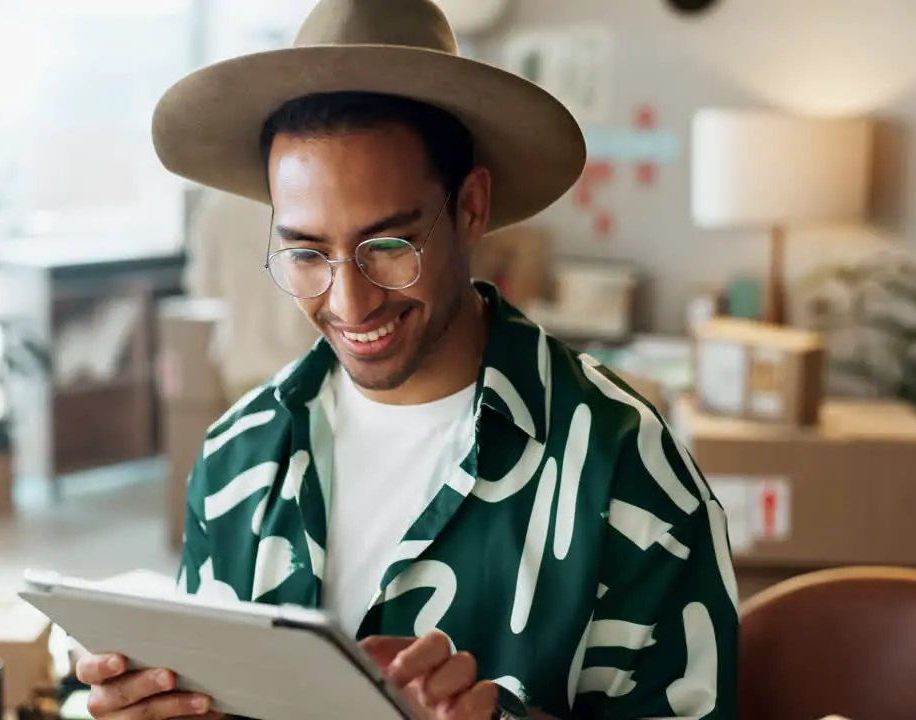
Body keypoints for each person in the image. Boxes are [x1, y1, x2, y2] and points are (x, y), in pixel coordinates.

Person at [76, 0, 739, 718]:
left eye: (389, 246)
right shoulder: (239, 460)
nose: (349, 302)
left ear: (471, 208)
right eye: (306, 253)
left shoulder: (625, 472)